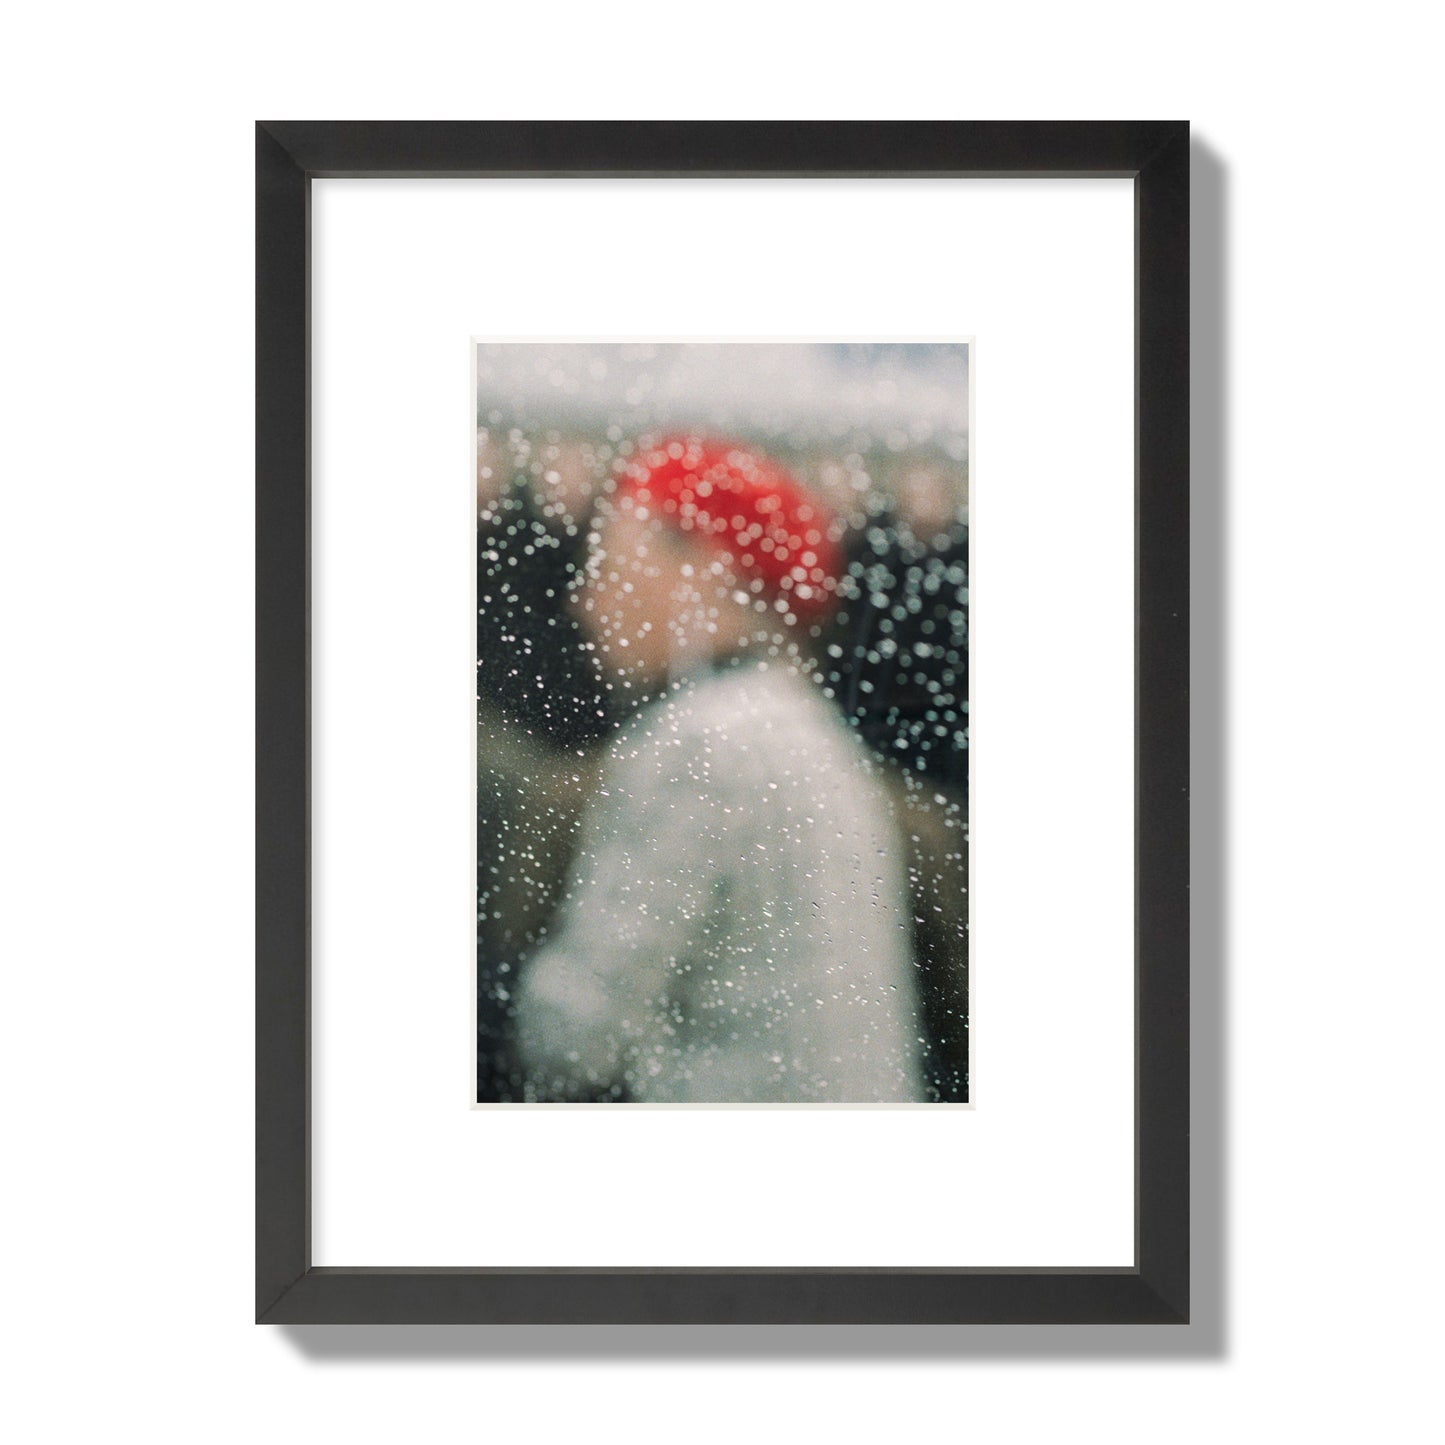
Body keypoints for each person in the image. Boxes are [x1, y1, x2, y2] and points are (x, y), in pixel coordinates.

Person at [513, 436, 926, 1103]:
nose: (584, 600)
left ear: (702, 569)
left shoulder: (702, 743)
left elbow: (575, 1036)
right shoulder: (803, 729)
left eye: (608, 565)